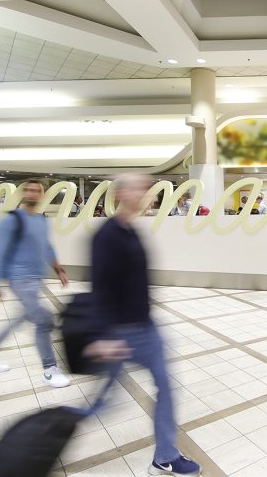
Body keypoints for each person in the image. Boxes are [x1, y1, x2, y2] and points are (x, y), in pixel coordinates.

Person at [85, 174, 201, 477]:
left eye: (145, 188)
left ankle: (165, 456)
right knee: (102, 405)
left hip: (145, 329)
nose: (145, 193)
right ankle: (45, 435)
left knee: (166, 388)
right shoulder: (107, 235)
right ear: (122, 194)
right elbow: (100, 287)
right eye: (138, 188)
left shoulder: (131, 229)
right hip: (120, 333)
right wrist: (102, 335)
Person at [0, 179, 71, 388]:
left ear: (42, 195)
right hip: (19, 279)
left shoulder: (41, 220)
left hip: (35, 280)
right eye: (28, 190)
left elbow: (46, 247)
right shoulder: (12, 220)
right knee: (43, 320)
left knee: (19, 319)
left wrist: (59, 269)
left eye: (36, 191)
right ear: (22, 194)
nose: (32, 193)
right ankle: (49, 369)